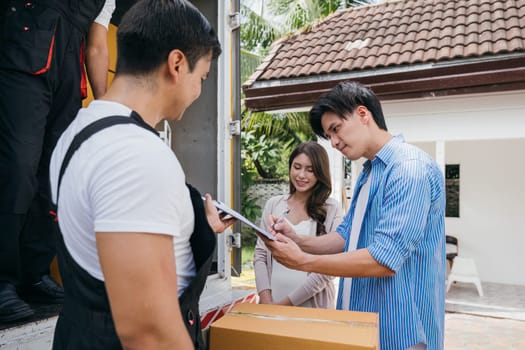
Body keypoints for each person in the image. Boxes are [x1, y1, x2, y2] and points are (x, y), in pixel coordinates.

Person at [48, 0, 232, 349]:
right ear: (177, 64)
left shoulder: (78, 132)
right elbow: (149, 332)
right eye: (202, 78)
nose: (198, 92)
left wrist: (195, 227)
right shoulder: (136, 154)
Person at [264, 81, 446, 350]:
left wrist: (303, 261)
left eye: (336, 129)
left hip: (403, 333)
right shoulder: (370, 173)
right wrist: (298, 239)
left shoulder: (408, 169)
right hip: (365, 325)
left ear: (363, 114)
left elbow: (385, 259)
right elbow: (345, 236)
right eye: (329, 136)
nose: (334, 143)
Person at [0, 0, 114, 323]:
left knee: (54, 175)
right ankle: (2, 279)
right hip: (24, 55)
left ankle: (34, 273)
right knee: (17, 168)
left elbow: (96, 46)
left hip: (68, 73)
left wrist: (106, 106)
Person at [254, 142, 343, 308]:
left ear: (320, 173)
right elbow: (260, 254)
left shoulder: (332, 208)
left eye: (310, 170)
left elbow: (328, 268)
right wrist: (265, 298)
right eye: (297, 167)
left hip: (312, 306)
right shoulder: (274, 204)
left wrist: (286, 303)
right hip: (272, 302)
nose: (302, 175)